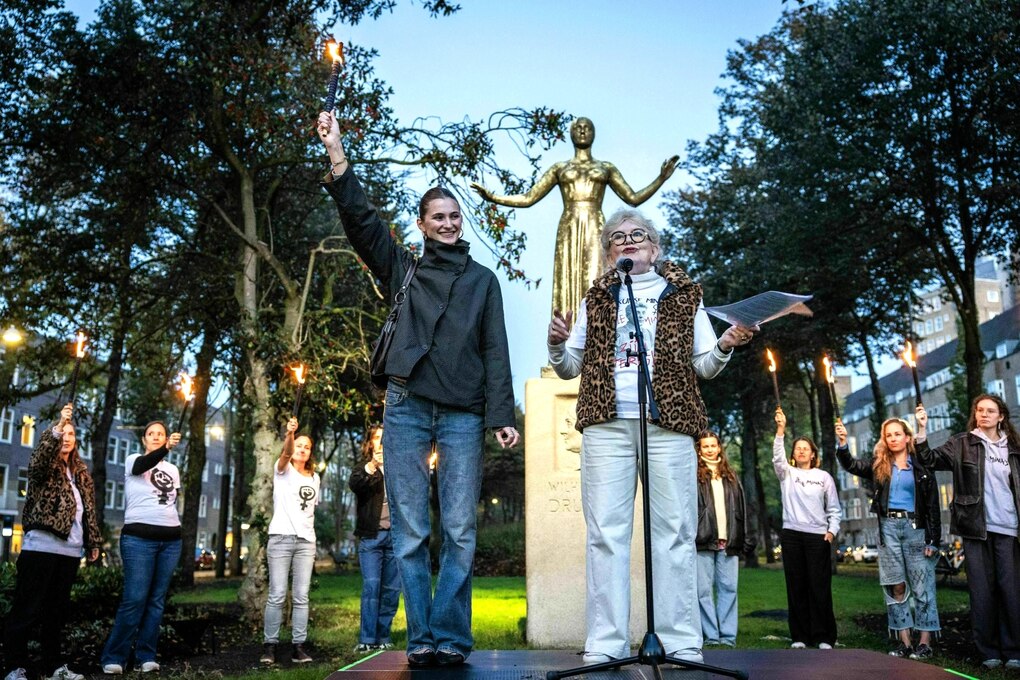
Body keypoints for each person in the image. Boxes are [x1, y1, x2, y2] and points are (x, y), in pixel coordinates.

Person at [317, 110, 520, 667]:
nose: (450, 223)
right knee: (408, 532)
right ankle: (421, 637)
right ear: (423, 224)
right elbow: (360, 220)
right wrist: (337, 153)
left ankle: (451, 638)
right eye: (439, 216)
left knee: (458, 530)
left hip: (461, 415)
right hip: (405, 407)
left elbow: (495, 350)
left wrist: (501, 414)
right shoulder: (401, 268)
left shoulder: (484, 282)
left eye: (456, 215)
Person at [546, 208, 756, 665]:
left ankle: (681, 640)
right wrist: (556, 344)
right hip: (606, 424)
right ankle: (606, 644)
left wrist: (724, 346)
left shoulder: (684, 296)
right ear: (607, 253)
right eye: (617, 237)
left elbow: (704, 364)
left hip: (668, 424)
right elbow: (569, 368)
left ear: (655, 249)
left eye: (637, 235)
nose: (627, 241)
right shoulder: (596, 297)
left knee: (676, 533)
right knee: (605, 534)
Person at [472, 117, 678, 317]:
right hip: (569, 225)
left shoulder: (604, 168)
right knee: (568, 276)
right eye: (577, 127)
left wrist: (660, 178)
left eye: (587, 127)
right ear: (570, 133)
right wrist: (493, 197)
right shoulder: (560, 168)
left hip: (594, 224)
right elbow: (529, 198)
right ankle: (568, 329)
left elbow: (632, 198)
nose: (582, 130)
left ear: (594, 134)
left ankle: (601, 318)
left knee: (598, 273)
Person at [915, 395, 1020, 671]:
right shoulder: (962, 443)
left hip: (1010, 529)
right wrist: (922, 430)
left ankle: (1013, 650)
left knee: (1011, 591)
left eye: (990, 411)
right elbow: (928, 459)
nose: (984, 414)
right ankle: (988, 651)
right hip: (976, 529)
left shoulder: (1014, 446)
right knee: (982, 592)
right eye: (980, 410)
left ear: (1001, 416)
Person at [3, 403, 101, 680]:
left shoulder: (80, 472)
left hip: (69, 551)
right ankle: (14, 667)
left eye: (71, 433)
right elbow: (38, 459)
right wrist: (57, 426)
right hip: (40, 548)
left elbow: (88, 509)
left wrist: (93, 541)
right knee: (27, 610)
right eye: (62, 433)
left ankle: (54, 666)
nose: (67, 437)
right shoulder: (44, 465)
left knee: (56, 613)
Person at [835, 412, 940, 659]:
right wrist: (842, 443)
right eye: (888, 435)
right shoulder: (879, 465)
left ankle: (925, 642)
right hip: (888, 528)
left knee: (922, 587)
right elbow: (851, 464)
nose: (893, 439)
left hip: (916, 529)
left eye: (897, 434)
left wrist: (934, 541)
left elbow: (933, 504)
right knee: (897, 586)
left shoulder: (922, 465)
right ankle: (904, 641)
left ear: (906, 437)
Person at [101, 421, 183, 674]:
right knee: (135, 599)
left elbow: (171, 500)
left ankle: (146, 656)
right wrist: (166, 448)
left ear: (167, 437)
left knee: (156, 601)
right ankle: (114, 657)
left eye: (161, 434)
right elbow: (142, 466)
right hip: (138, 540)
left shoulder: (172, 469)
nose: (156, 437)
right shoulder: (133, 460)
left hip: (170, 541)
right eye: (152, 434)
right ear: (145, 439)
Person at [772, 408, 840, 650]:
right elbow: (777, 459)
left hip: (817, 537)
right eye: (797, 447)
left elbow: (834, 508)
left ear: (813, 454)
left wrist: (831, 531)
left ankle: (823, 637)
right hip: (792, 535)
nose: (800, 450)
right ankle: (799, 636)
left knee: (819, 587)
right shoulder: (786, 474)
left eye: (805, 448)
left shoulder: (823, 477)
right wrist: (780, 430)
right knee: (796, 585)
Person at [259, 417, 321, 665]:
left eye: (307, 446)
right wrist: (290, 434)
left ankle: (298, 646)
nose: (302, 449)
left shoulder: (315, 478)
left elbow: (309, 510)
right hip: (281, 538)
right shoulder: (282, 470)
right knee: (276, 594)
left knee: (301, 596)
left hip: (306, 542)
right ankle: (270, 647)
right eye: (299, 445)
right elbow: (286, 453)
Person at [695, 431, 755, 648]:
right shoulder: (695, 474)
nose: (710, 449)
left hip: (728, 541)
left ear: (719, 447)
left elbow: (741, 508)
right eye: (705, 446)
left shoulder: (731, 475)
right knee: (703, 591)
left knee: (728, 588)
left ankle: (728, 636)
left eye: (713, 445)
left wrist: (746, 537)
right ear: (699, 450)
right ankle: (711, 636)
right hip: (703, 539)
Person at [349, 425, 400, 653]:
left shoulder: (399, 468)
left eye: (385, 437)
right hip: (371, 538)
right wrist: (373, 466)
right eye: (377, 438)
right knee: (372, 587)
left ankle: (383, 634)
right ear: (370, 443)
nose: (381, 441)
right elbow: (356, 484)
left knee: (391, 589)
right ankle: (367, 638)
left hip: (396, 538)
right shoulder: (363, 468)